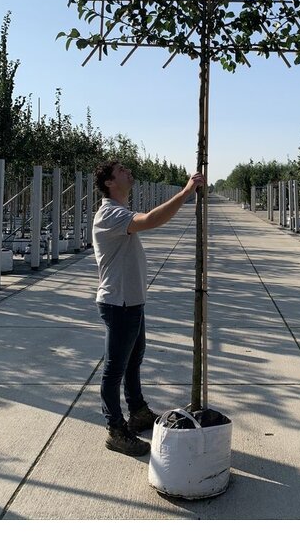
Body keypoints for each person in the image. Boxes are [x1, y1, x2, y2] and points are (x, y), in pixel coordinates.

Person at [92, 161, 204, 457]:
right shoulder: (110, 213)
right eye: (122, 171)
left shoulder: (117, 211)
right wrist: (186, 192)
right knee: (114, 369)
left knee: (133, 360)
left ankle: (138, 410)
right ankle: (115, 430)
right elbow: (152, 219)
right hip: (119, 303)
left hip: (131, 301)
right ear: (109, 183)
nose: (129, 173)